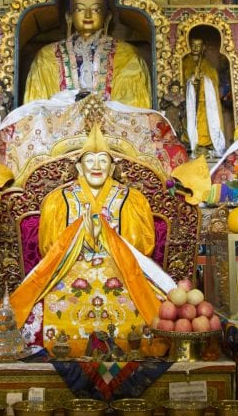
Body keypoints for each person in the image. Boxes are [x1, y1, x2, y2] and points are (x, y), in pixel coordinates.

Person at [9, 125, 174, 349]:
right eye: (90, 160)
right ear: (78, 166)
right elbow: (50, 247)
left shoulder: (131, 199)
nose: (96, 166)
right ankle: (62, 346)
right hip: (69, 270)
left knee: (148, 307)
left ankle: (132, 346)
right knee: (45, 306)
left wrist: (104, 237)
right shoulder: (59, 199)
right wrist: (82, 238)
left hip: (121, 270)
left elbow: (141, 247)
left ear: (112, 167)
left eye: (103, 160)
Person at [24, 0, 152, 108]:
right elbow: (35, 108)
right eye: (79, 9)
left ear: (107, 17)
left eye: (96, 10)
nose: (88, 15)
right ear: (69, 16)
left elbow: (135, 107)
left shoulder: (127, 55)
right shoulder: (47, 56)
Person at [182, 37, 225, 157]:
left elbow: (214, 79)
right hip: (189, 101)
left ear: (203, 47)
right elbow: (180, 79)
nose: (195, 48)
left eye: (198, 45)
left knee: (205, 123)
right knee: (190, 121)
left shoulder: (206, 64)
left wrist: (204, 78)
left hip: (204, 101)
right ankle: (192, 144)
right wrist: (191, 80)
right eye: (193, 45)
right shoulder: (184, 62)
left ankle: (205, 145)